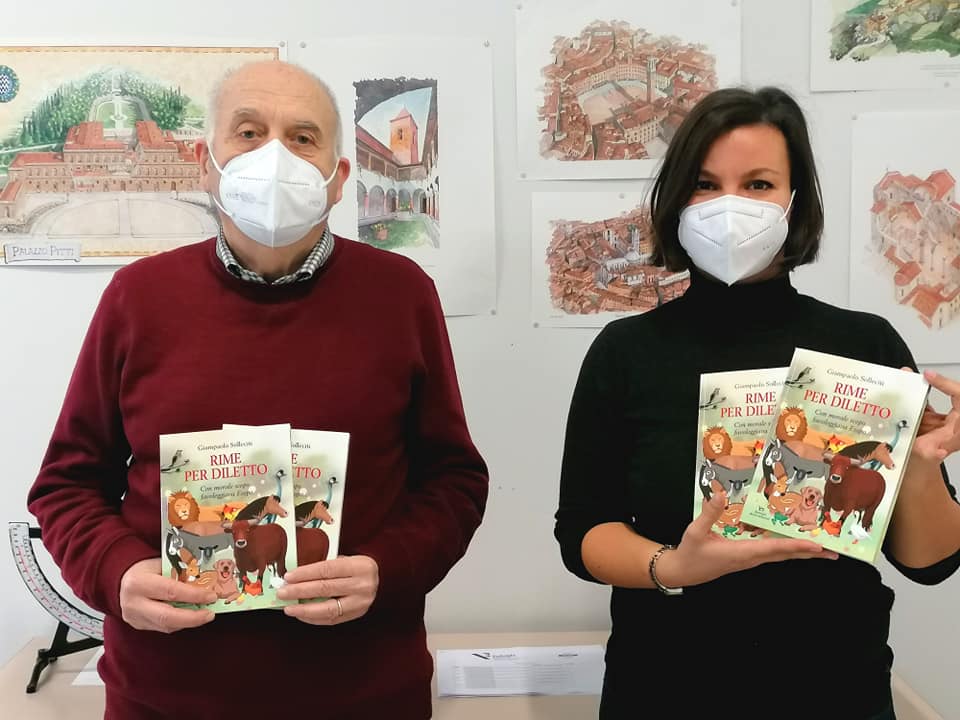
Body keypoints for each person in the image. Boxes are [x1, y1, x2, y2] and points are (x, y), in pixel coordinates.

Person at [27, 60, 488, 719]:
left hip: (363, 691)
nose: (275, 155)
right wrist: (115, 571)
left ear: (338, 179)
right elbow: (65, 485)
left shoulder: (401, 295)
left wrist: (388, 567)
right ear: (205, 163)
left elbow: (455, 481)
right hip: (167, 695)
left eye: (302, 138)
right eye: (248, 132)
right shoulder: (138, 298)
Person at [554, 86, 960, 719]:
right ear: (677, 199)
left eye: (759, 184)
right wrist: (673, 567)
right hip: (663, 686)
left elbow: (928, 562)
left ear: (796, 203)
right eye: (705, 184)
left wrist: (923, 465)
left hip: (833, 689)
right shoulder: (625, 352)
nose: (730, 206)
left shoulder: (863, 344)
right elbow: (583, 530)